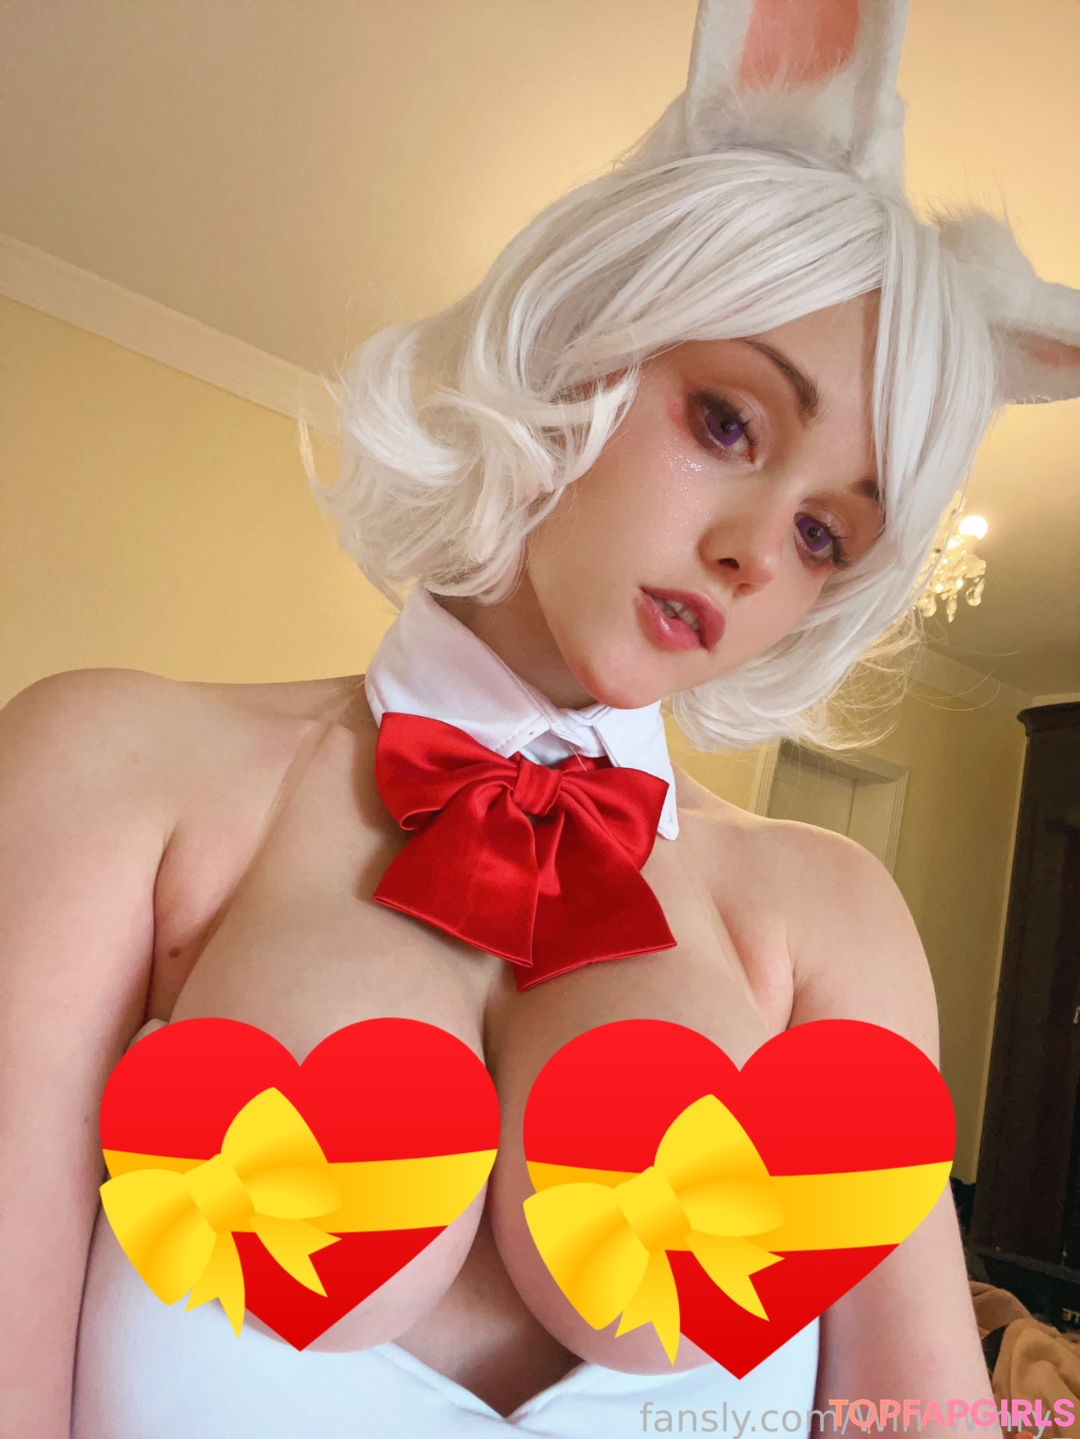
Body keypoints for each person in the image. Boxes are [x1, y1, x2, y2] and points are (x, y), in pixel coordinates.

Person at [2, 2, 1079, 1437]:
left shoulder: (835, 915)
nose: (754, 551)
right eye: (728, 422)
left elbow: (919, 1416)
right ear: (583, 339)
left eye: (825, 535)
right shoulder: (106, 770)